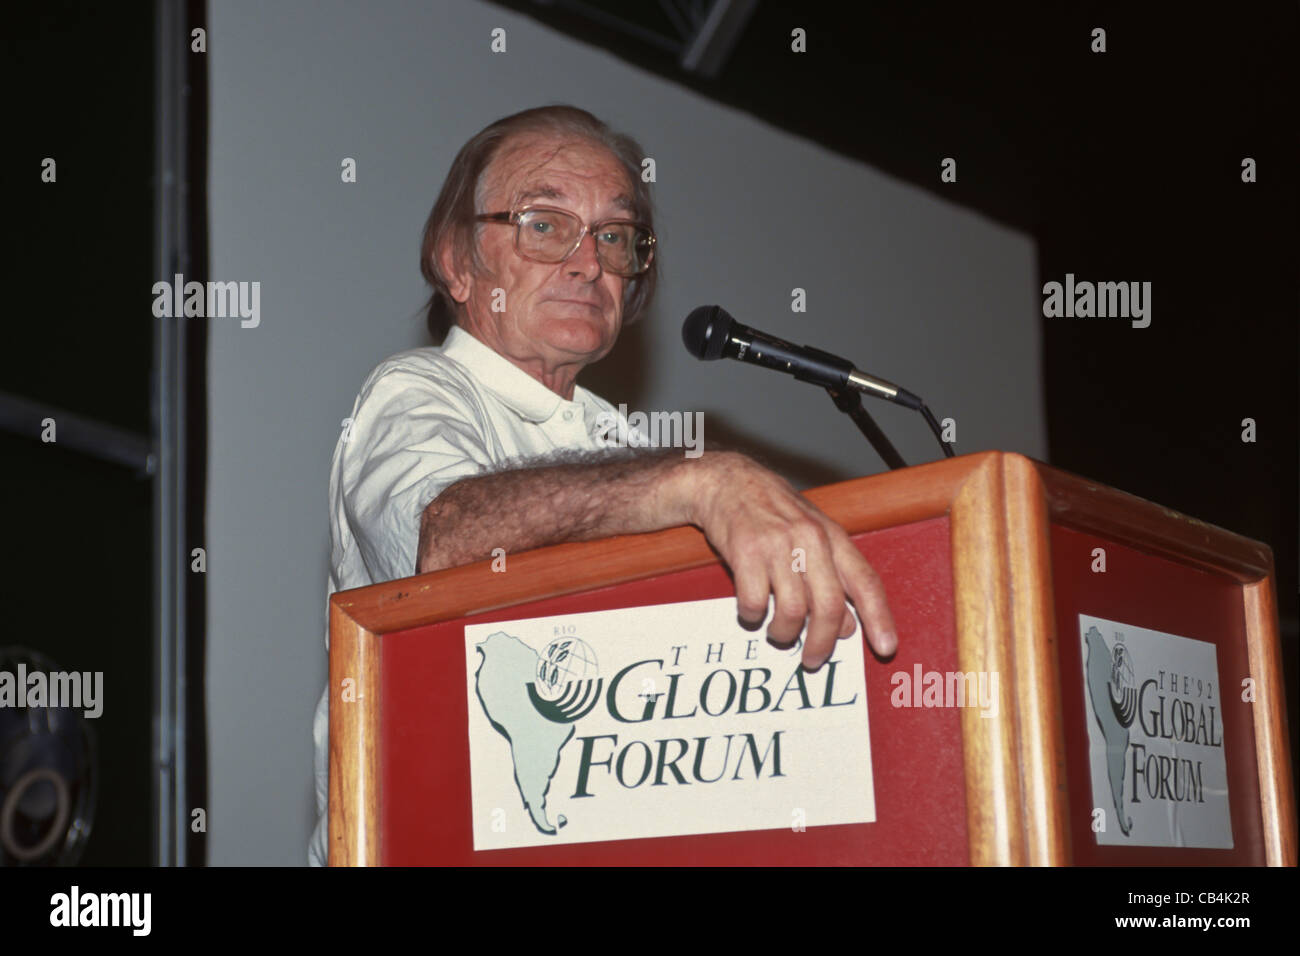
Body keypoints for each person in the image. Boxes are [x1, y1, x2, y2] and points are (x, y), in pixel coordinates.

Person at [309, 105, 897, 865]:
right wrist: (699, 481)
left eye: (615, 237)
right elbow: (440, 537)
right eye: (545, 225)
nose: (589, 262)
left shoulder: (624, 447)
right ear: (457, 262)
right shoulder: (415, 391)